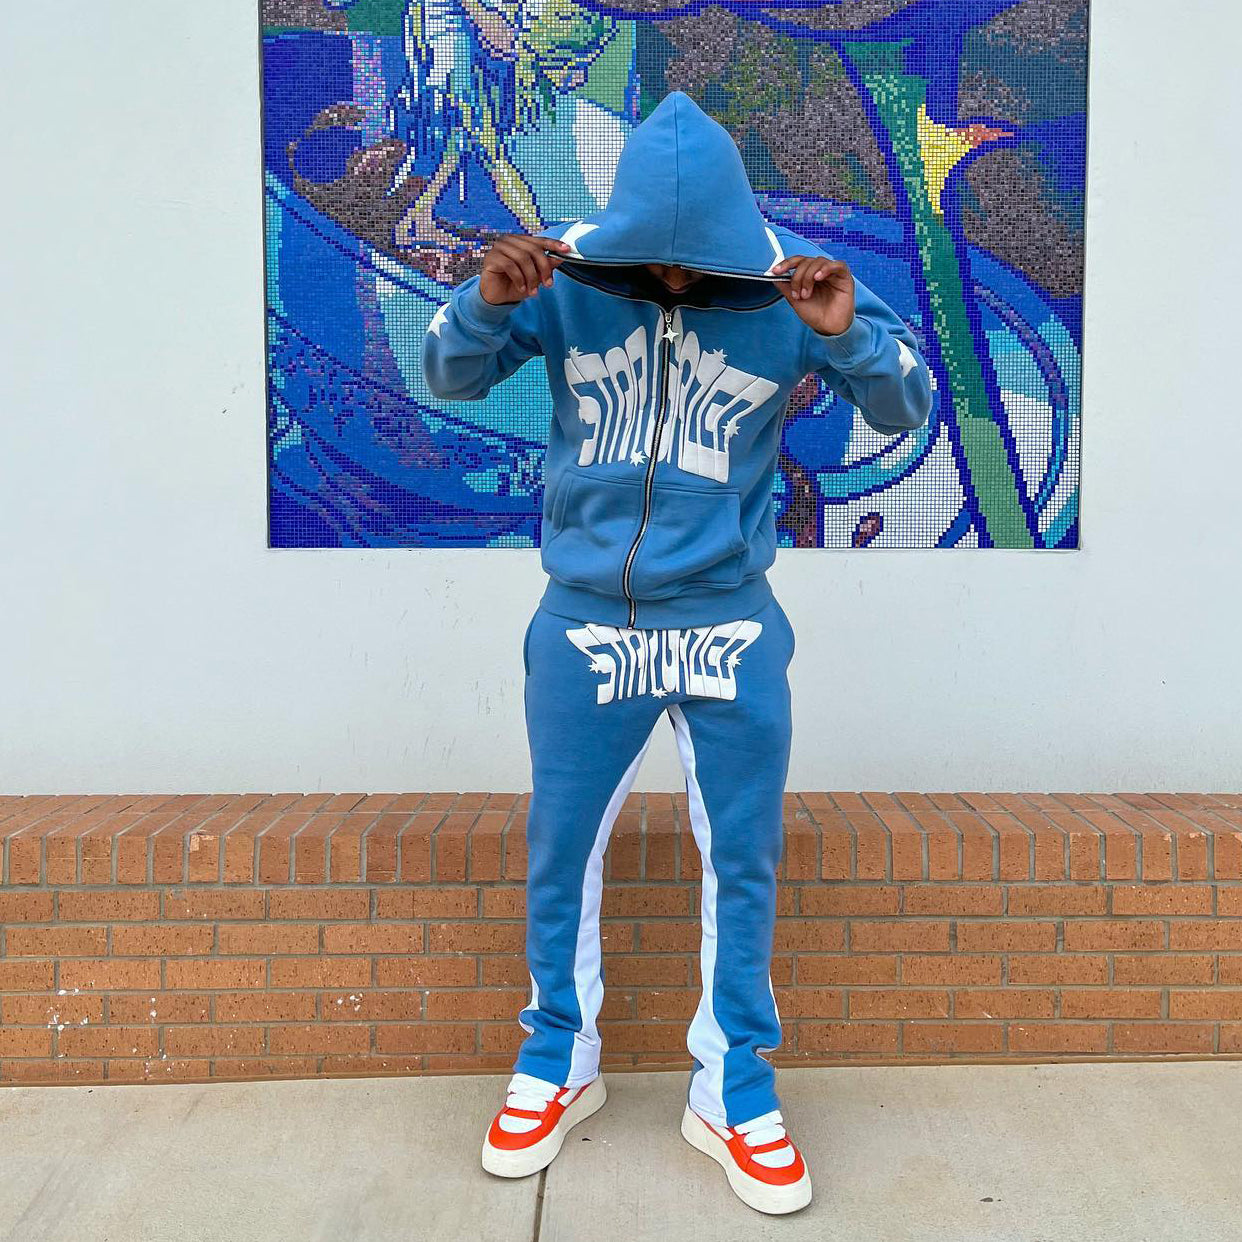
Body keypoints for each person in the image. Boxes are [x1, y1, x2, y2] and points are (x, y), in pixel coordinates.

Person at [421, 89, 932, 1215]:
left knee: (743, 856)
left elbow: (906, 409)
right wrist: (484, 304)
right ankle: (560, 1059)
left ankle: (732, 1086)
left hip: (727, 620)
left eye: (694, 266)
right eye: (655, 263)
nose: (673, 282)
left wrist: (846, 334)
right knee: (562, 848)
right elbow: (447, 377)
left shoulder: (793, 284)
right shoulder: (567, 275)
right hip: (586, 620)